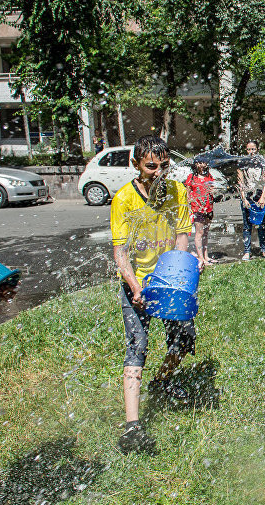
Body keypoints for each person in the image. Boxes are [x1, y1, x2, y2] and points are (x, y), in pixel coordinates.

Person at [110, 135, 196, 453]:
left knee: (183, 340)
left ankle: (161, 381)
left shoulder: (177, 191)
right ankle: (133, 427)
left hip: (169, 282)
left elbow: (183, 234)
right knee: (138, 345)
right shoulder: (123, 199)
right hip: (136, 283)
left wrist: (177, 273)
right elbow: (120, 254)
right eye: (150, 166)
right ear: (136, 165)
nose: (158, 171)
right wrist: (135, 288)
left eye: (164, 165)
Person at [238, 140, 265, 260]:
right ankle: (247, 251)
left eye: (253, 149)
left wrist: (263, 197)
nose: (251, 152)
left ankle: (263, 249)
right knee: (247, 225)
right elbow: (240, 183)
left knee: (261, 224)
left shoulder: (263, 163)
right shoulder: (242, 163)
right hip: (247, 196)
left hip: (259, 196)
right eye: (248, 149)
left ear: (257, 149)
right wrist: (243, 199)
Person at [183, 158, 215, 269]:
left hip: (208, 208)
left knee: (206, 232)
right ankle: (201, 257)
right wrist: (189, 208)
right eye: (199, 163)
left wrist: (214, 191)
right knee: (199, 233)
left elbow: (213, 189)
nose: (202, 165)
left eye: (203, 162)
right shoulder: (191, 177)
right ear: (195, 164)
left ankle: (206, 256)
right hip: (198, 209)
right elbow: (187, 194)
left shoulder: (209, 176)